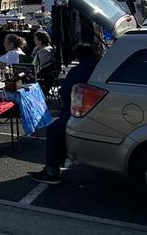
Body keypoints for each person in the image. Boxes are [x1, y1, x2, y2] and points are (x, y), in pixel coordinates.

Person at [32, 43, 100, 183]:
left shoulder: (78, 70)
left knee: (54, 131)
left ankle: (51, 171)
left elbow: (65, 92)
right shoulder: (101, 67)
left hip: (82, 112)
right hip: (99, 109)